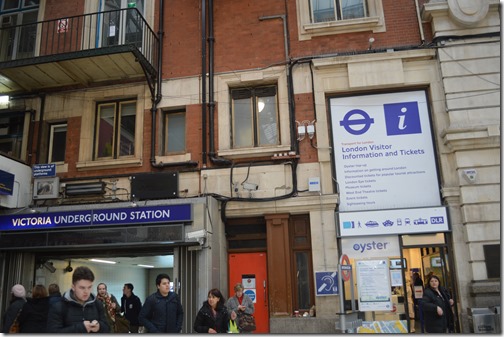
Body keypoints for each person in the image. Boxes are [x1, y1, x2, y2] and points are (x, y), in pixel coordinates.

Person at [47, 266, 109, 333]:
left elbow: (107, 328)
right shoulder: (58, 307)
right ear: (73, 287)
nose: (86, 291)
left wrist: (99, 327)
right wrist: (80, 329)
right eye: (82, 288)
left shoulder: (97, 304)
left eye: (89, 287)